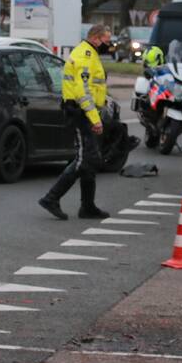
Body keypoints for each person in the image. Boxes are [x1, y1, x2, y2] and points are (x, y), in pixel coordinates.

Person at [38, 24, 113, 221]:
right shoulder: (85, 56)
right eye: (107, 40)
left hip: (86, 112)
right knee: (83, 159)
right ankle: (51, 198)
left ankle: (88, 206)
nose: (109, 44)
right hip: (81, 113)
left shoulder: (91, 54)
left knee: (91, 159)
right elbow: (83, 91)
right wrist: (95, 118)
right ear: (96, 38)